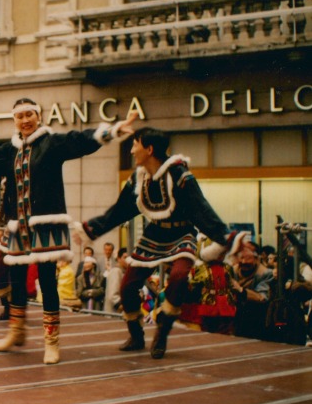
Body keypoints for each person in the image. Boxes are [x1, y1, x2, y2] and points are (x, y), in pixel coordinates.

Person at [0, 97, 136, 364]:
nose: (25, 120)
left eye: (30, 114)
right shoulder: (10, 150)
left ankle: (52, 342)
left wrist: (113, 131)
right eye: (20, 116)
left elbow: (80, 140)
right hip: (19, 226)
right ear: (14, 120)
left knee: (47, 282)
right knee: (16, 280)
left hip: (46, 225)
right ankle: (17, 331)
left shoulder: (52, 143)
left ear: (39, 116)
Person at [76, 127, 246, 359]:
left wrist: (227, 238)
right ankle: (136, 335)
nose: (132, 150)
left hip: (182, 234)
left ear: (149, 149)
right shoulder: (138, 179)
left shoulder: (180, 176)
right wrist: (90, 229)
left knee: (179, 277)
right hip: (154, 234)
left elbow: (202, 211)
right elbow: (119, 212)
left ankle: (162, 332)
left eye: (135, 144)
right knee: (127, 286)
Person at [231, 242, 274, 340]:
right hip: (236, 320)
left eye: (247, 259)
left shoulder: (265, 273)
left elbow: (262, 297)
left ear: (256, 258)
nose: (243, 262)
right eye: (241, 258)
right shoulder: (233, 270)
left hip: (256, 320)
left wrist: (241, 290)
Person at [103, 247, 128, 314]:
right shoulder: (116, 271)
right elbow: (113, 296)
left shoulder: (124, 272)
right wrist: (125, 306)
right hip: (115, 314)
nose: (127, 260)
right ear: (119, 259)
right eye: (125, 257)